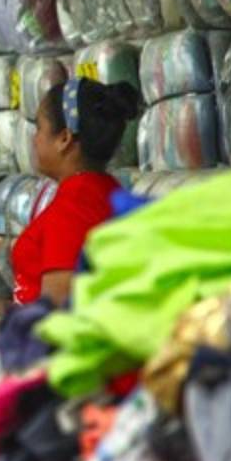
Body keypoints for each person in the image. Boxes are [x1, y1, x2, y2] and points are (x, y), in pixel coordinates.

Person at [11, 77, 140, 306]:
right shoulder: (106, 190)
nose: (34, 139)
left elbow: (59, 308)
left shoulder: (72, 209)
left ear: (64, 139)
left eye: (39, 128)